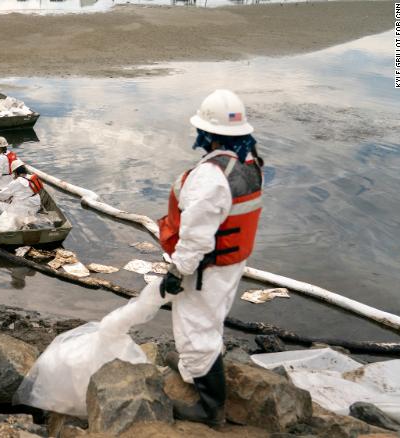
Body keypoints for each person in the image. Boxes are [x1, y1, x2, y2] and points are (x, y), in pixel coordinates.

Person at [157, 89, 263, 427]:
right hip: (230, 263)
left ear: (208, 134)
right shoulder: (248, 163)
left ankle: (210, 408)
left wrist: (177, 270)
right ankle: (191, 370)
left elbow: (196, 236)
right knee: (210, 317)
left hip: (207, 266)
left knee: (193, 327)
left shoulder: (209, 176)